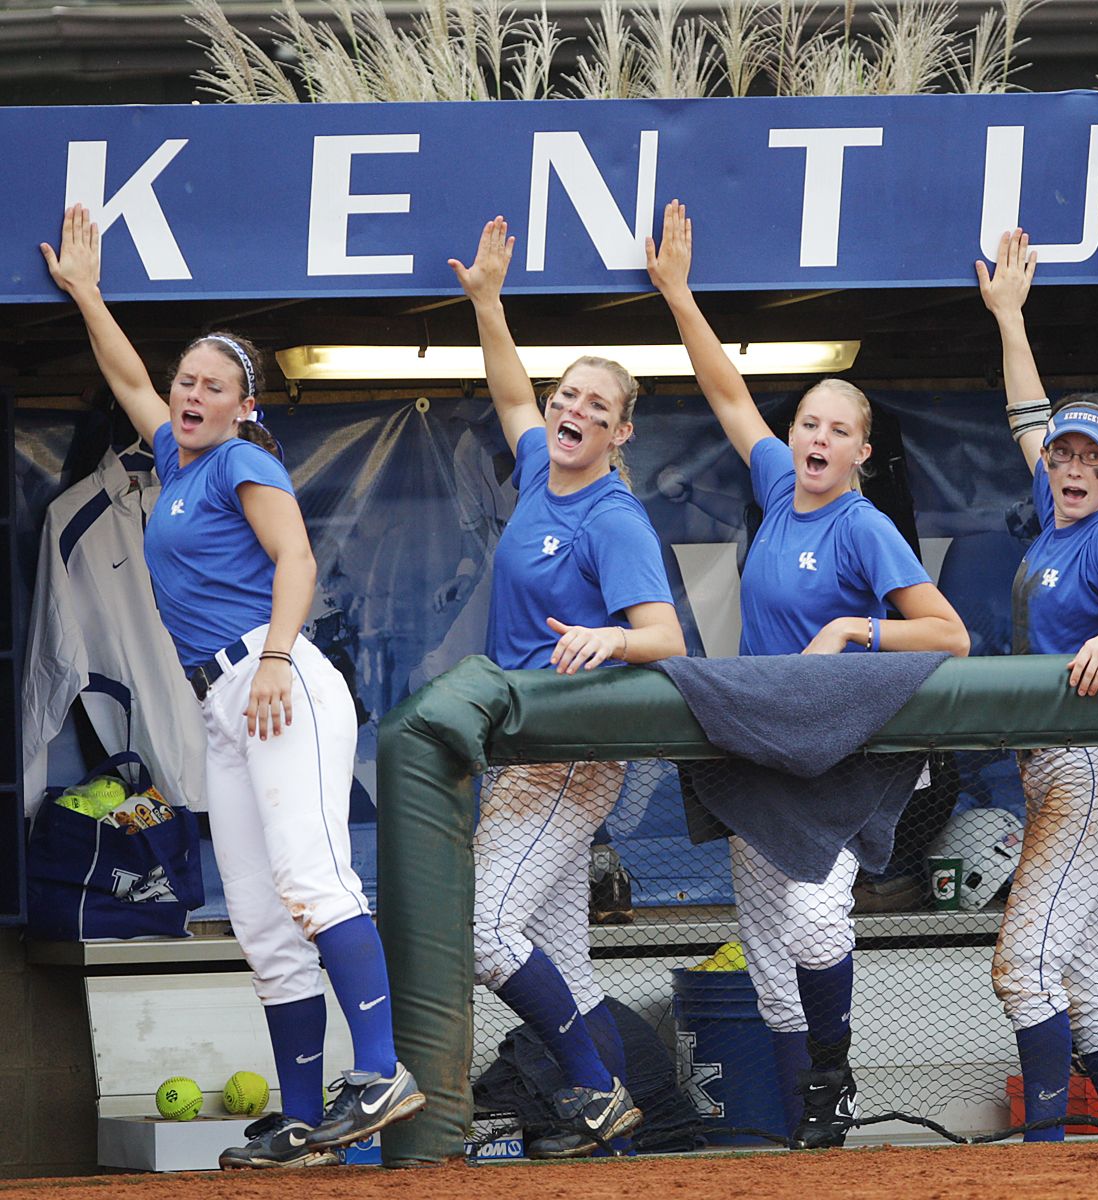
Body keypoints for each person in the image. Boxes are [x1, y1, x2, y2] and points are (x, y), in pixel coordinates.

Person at [40, 205, 424, 1168]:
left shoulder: (244, 459)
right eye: (187, 382)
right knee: (256, 912)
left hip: (275, 675)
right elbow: (128, 377)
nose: (192, 394)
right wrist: (89, 292)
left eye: (214, 386)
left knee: (310, 880)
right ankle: (301, 1117)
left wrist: (280, 658)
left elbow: (296, 559)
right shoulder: (174, 457)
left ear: (246, 404)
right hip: (225, 698)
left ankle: (381, 1070)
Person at [646, 199, 970, 1149]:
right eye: (808, 423)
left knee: (820, 921)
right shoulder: (781, 485)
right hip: (762, 749)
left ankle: (832, 1080)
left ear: (864, 452)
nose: (817, 438)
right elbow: (725, 393)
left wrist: (849, 629)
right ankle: (808, 1139)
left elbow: (946, 635)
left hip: (833, 752)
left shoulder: (862, 524)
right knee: (771, 950)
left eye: (837, 429)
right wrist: (677, 293)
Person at [450, 217, 688, 1157]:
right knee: (568, 966)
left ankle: (592, 1092)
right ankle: (622, 1136)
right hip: (529, 749)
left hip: (573, 748)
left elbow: (664, 636)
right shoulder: (544, 470)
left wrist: (605, 636)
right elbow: (510, 388)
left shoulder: (613, 516)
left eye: (595, 402)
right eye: (566, 393)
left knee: (486, 932)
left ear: (621, 430)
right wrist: (488, 304)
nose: (570, 407)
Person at [976, 226, 1098, 1142]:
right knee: (1087, 979)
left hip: (1095, 769)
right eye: (1062, 455)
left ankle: (1045, 1150)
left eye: (1091, 458)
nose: (1071, 467)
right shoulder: (1059, 511)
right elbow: (1028, 412)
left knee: (1022, 967)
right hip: (1058, 770)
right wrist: (1012, 316)